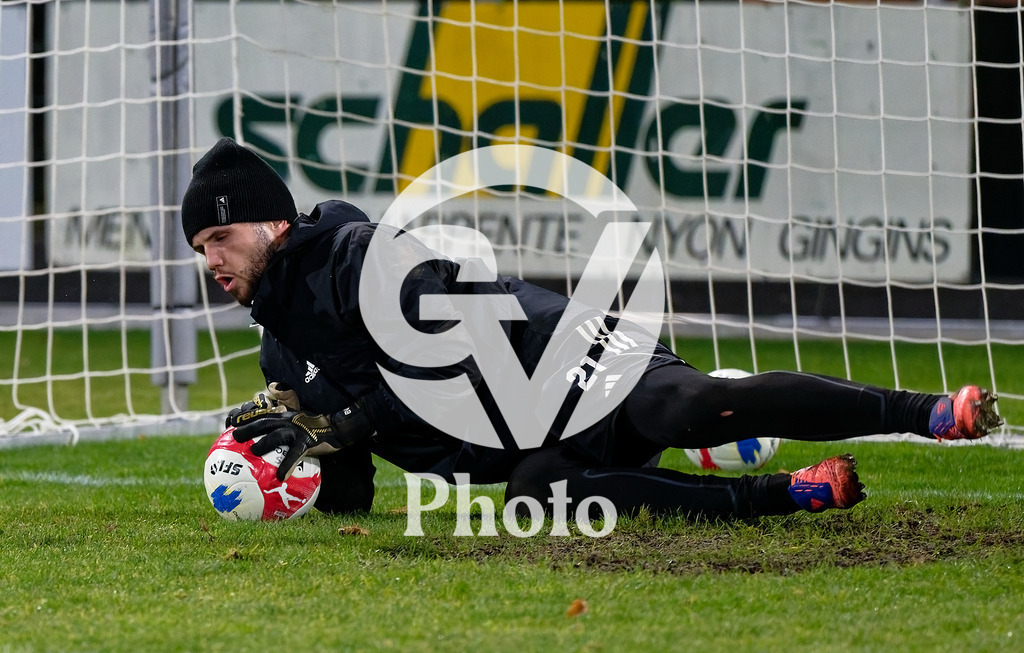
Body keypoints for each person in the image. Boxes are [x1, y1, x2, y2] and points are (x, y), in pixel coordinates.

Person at [180, 137, 1002, 520]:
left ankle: (926, 412)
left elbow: (447, 363)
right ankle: (786, 493)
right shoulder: (281, 344)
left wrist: (346, 417)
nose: (210, 260)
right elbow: (354, 490)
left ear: (273, 225)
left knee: (682, 411)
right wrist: (294, 468)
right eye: (198, 249)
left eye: (218, 237)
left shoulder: (364, 257)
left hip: (561, 361)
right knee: (541, 496)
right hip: (524, 441)